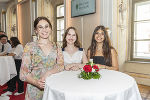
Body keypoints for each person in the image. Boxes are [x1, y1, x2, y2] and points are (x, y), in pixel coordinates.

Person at [20, 16, 64, 100]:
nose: (44, 30)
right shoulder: (29, 46)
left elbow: (61, 66)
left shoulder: (57, 46)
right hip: (34, 89)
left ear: (51, 28)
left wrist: (49, 72)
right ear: (36, 30)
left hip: (53, 86)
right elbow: (23, 73)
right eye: (40, 27)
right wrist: (36, 82)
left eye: (46, 26)